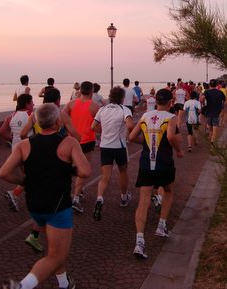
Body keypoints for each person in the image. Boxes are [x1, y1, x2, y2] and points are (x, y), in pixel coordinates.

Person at [0, 103, 90, 289]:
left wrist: (24, 181)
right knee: (56, 256)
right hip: (57, 206)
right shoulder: (68, 142)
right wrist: (69, 170)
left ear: (38, 123)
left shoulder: (24, 145)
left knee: (56, 248)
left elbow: (4, 173)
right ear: (58, 121)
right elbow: (85, 171)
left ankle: (65, 283)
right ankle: (22, 286)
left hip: (34, 204)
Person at [128, 89, 183, 259]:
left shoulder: (145, 116)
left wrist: (145, 141)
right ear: (170, 101)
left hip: (146, 163)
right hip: (164, 162)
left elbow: (131, 137)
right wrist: (179, 151)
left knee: (143, 201)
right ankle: (161, 225)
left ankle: (139, 241)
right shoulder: (171, 117)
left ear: (156, 101)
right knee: (168, 191)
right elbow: (171, 136)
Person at [91, 87, 134, 221]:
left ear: (110, 97)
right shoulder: (124, 109)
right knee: (123, 171)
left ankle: (99, 198)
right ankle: (123, 196)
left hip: (105, 146)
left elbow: (93, 127)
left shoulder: (102, 109)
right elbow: (130, 125)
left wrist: (103, 132)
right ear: (121, 98)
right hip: (119, 146)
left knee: (105, 176)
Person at [63, 81, 99, 213]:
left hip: (72, 140)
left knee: (68, 168)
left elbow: (61, 116)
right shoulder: (94, 106)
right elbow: (99, 124)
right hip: (87, 141)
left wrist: (69, 127)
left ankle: (68, 193)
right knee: (81, 170)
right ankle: (76, 198)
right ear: (91, 91)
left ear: (80, 90)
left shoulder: (71, 104)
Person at [0, 94, 34, 212]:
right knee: (31, 176)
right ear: (27, 104)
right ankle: (15, 193)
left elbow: (1, 132)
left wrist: (12, 139)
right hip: (28, 150)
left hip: (15, 150)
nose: (33, 104)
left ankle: (16, 194)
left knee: (28, 175)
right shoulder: (32, 116)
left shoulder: (10, 116)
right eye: (32, 102)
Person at [199, 79, 225, 144]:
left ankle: (211, 141)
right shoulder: (220, 92)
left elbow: (201, 99)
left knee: (210, 128)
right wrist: (221, 108)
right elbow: (224, 101)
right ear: (216, 85)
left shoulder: (207, 92)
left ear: (210, 85)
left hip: (209, 112)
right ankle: (212, 143)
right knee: (215, 127)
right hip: (216, 112)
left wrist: (202, 104)